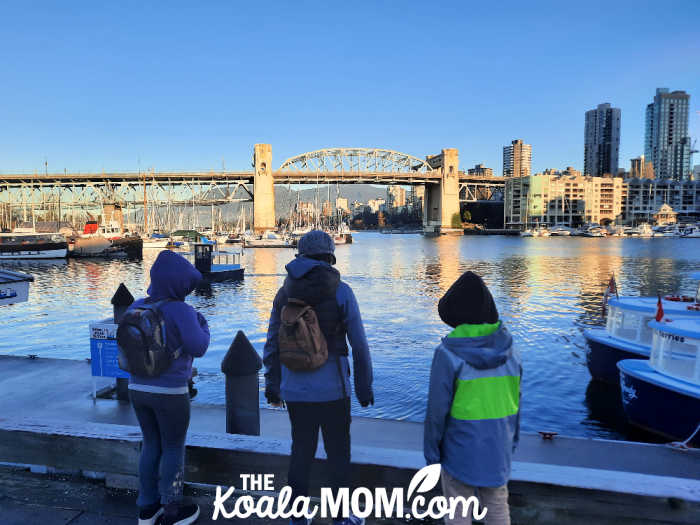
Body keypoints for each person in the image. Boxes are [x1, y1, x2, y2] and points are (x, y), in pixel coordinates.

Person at [263, 230, 374, 525]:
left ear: (300, 257)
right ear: (329, 257)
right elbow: (360, 345)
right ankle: (341, 517)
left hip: (295, 390)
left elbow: (272, 343)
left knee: (301, 450)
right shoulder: (342, 292)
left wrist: (272, 384)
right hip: (334, 389)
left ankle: (297, 517)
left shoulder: (284, 293)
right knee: (339, 452)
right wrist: (364, 387)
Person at [424, 271, 521, 525]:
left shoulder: (447, 354)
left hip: (459, 448)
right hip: (499, 446)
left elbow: (436, 411)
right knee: (497, 505)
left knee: (457, 508)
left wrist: (432, 454)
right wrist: (512, 442)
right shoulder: (511, 351)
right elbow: (516, 403)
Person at [128, 250, 210, 525]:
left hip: (137, 388)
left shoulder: (136, 307)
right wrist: (203, 324)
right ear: (180, 285)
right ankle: (172, 510)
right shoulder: (182, 310)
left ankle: (147, 508)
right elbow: (199, 347)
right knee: (174, 447)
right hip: (171, 393)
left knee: (150, 444)